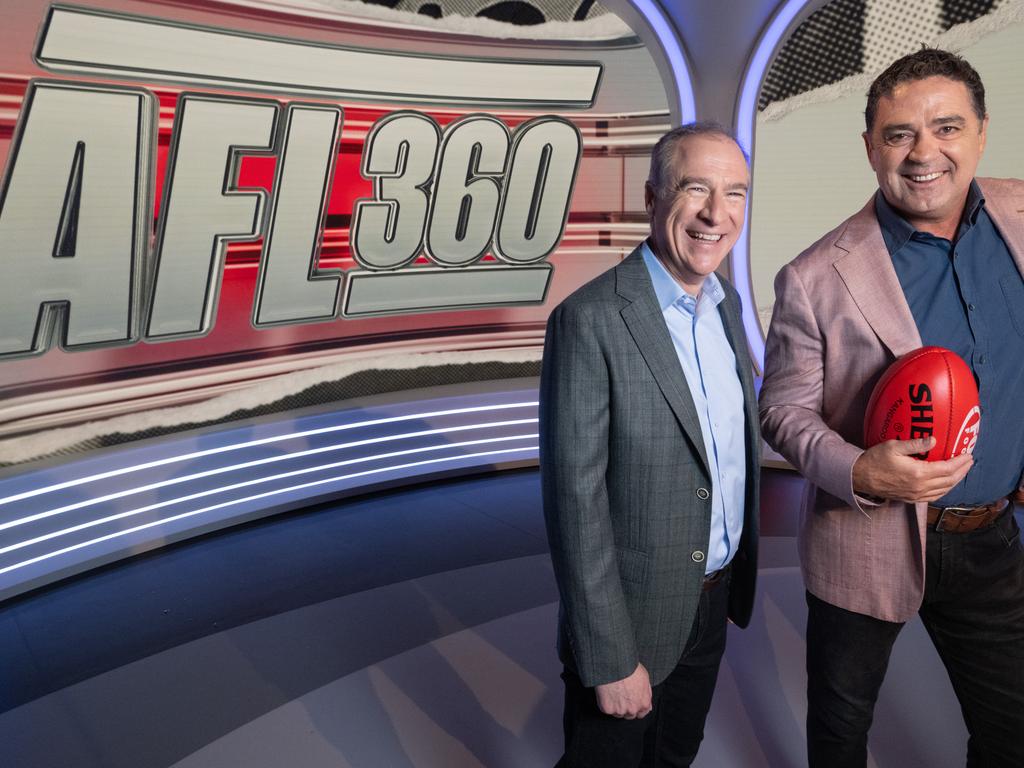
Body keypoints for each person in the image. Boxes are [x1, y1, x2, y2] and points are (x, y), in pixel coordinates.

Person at [760, 48, 1024, 767]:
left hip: (994, 535)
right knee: (842, 733)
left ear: (980, 133)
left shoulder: (1019, 213)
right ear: (871, 146)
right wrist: (861, 472)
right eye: (899, 133)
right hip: (867, 539)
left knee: (1014, 730)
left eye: (946, 127)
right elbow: (782, 412)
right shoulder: (815, 277)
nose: (923, 152)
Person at [539, 122, 760, 767]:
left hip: (710, 602)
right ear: (652, 197)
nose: (717, 214)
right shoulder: (591, 320)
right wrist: (608, 658)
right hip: (630, 623)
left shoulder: (726, 304)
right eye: (696, 189)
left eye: (736, 193)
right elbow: (574, 504)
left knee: (672, 760)